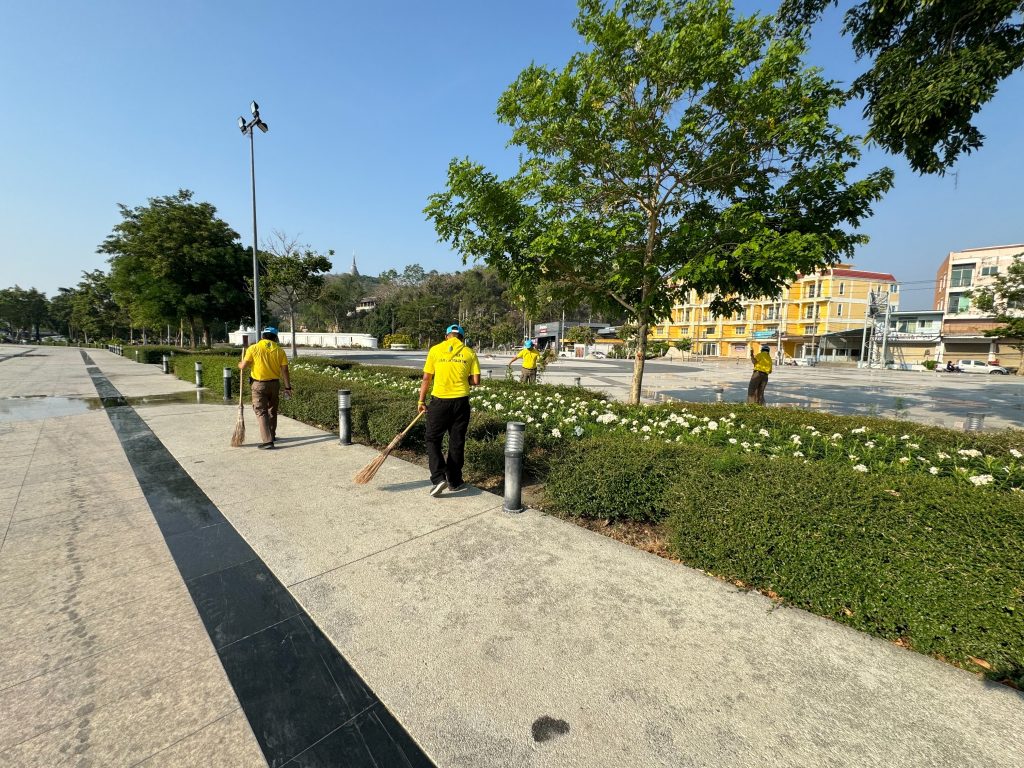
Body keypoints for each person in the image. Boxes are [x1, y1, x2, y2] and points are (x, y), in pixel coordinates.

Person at [418, 324, 481, 496]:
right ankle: (454, 480)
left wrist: (421, 401)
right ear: (462, 338)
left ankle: (438, 478)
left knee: (432, 439)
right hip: (461, 402)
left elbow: (426, 377)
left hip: (440, 402)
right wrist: (462, 379)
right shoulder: (469, 352)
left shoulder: (435, 350)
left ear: (447, 336)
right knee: (457, 441)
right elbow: (476, 381)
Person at [238, 327, 291, 449]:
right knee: (272, 409)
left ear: (263, 336)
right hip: (275, 384)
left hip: (259, 385)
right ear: (275, 338)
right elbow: (285, 370)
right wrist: (288, 387)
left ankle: (267, 441)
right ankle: (271, 435)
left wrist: (240, 364)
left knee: (261, 411)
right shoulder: (280, 351)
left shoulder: (254, 348)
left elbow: (243, 366)